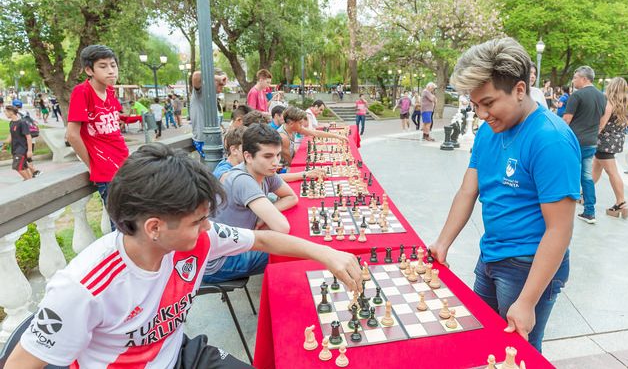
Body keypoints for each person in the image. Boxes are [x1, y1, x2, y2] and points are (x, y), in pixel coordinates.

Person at [4, 143, 362, 369]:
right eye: (198, 220)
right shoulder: (83, 286)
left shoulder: (200, 238)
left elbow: (264, 241)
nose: (209, 228)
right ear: (155, 228)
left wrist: (326, 252)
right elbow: (21, 364)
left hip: (182, 353)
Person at [429, 38, 579, 353]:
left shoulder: (550, 140)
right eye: (475, 105)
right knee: (483, 344)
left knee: (516, 355)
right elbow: (468, 191)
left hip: (528, 267)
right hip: (491, 256)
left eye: (489, 102)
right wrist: (442, 243)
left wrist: (527, 301)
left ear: (520, 89)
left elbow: (560, 229)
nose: (482, 114)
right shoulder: (488, 131)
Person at [205, 124, 300, 282]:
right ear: (248, 156)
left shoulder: (265, 170)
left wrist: (263, 217)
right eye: (268, 156)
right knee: (295, 252)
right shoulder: (242, 179)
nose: (276, 162)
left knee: (295, 243)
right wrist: (268, 215)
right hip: (219, 262)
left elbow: (292, 197)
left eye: (277, 155)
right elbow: (282, 227)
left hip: (236, 246)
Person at [66, 45, 129, 205]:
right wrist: (92, 165)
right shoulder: (82, 92)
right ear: (89, 70)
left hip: (125, 163)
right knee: (122, 224)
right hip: (106, 171)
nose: (111, 71)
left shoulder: (110, 91)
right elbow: (72, 135)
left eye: (113, 65)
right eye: (103, 66)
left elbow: (114, 124)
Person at [562, 66, 606, 224]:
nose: (573, 81)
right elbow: (601, 121)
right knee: (587, 177)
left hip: (574, 142)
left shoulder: (577, 95)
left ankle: (564, 210)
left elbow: (566, 120)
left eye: (575, 78)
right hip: (591, 142)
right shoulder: (602, 96)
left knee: (568, 174)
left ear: (584, 78)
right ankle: (589, 211)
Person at [593, 78, 628, 218]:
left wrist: (591, 137)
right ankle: (585, 193)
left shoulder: (609, 104)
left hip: (604, 142)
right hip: (615, 141)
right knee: (596, 167)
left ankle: (621, 202)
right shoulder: (625, 105)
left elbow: (601, 125)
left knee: (612, 172)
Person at [278, 107, 348, 167]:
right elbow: (289, 161)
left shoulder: (293, 127)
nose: (302, 125)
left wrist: (337, 136)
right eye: (300, 123)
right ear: (291, 123)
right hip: (283, 168)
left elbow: (314, 133)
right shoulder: (283, 137)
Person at [190, 69, 228, 157]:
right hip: (203, 140)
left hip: (212, 139)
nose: (221, 88)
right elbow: (196, 76)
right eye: (220, 84)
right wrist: (218, 77)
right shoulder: (200, 91)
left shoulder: (213, 95)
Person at [2, 105, 34, 180]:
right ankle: (30, 181)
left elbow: (29, 137)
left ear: (11, 112)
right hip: (15, 149)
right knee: (23, 167)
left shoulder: (22, 123)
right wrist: (5, 146)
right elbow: (11, 135)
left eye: (5, 112)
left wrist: (30, 151)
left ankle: (28, 181)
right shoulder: (11, 123)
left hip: (22, 149)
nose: (5, 114)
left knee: (17, 166)